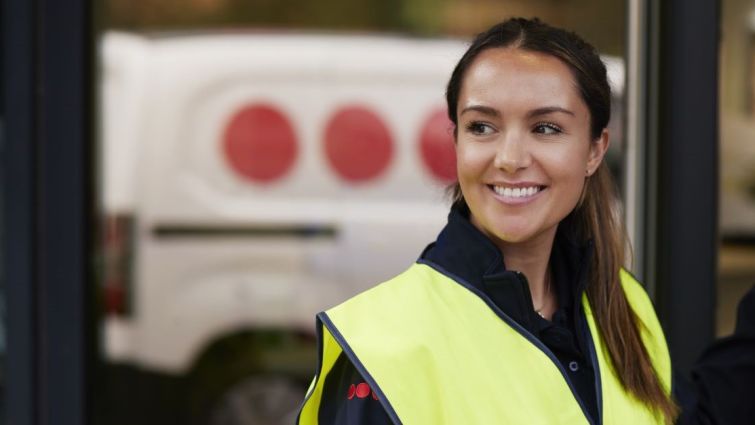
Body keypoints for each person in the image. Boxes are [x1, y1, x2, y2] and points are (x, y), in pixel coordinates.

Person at [296, 18, 755, 425]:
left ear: (595, 150)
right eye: (482, 126)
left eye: (546, 128)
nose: (510, 158)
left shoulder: (625, 311)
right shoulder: (381, 347)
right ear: (456, 141)